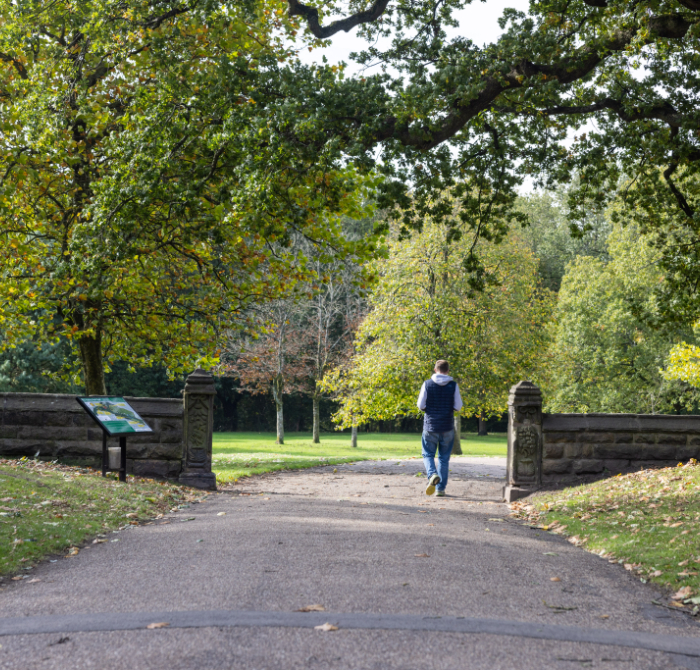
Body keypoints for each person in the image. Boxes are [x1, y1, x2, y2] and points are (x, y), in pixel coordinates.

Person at [416, 360, 463, 497]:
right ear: (448, 371)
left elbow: (420, 405)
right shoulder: (453, 385)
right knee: (443, 458)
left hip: (430, 426)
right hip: (447, 426)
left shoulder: (427, 384)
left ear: (435, 369)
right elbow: (458, 406)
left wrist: (428, 409)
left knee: (427, 454)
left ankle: (432, 474)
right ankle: (440, 489)